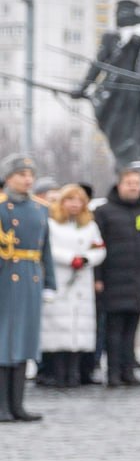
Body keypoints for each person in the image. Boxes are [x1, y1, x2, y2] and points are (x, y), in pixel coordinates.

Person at [94, 168, 140, 388]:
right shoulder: (104, 212)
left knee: (132, 328)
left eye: (136, 183)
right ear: (119, 185)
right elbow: (96, 246)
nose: (133, 187)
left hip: (139, 280)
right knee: (114, 330)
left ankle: (128, 371)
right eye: (129, 183)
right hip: (113, 279)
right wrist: (97, 277)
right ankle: (114, 372)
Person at [0, 157, 49, 422]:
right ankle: (2, 406)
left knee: (24, 341)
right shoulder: (2, 207)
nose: (27, 179)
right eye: (21, 174)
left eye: (30, 174)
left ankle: (17, 405)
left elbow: (46, 250)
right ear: (8, 178)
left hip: (31, 276)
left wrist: (49, 284)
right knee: (4, 342)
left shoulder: (40, 208)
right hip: (6, 277)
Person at [38, 183, 100, 390]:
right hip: (60, 279)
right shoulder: (51, 224)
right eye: (70, 200)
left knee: (77, 329)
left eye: (79, 200)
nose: (75, 204)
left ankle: (74, 373)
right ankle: (57, 373)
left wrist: (86, 258)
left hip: (81, 282)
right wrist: (69, 258)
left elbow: (99, 248)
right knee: (57, 328)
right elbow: (47, 248)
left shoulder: (90, 226)